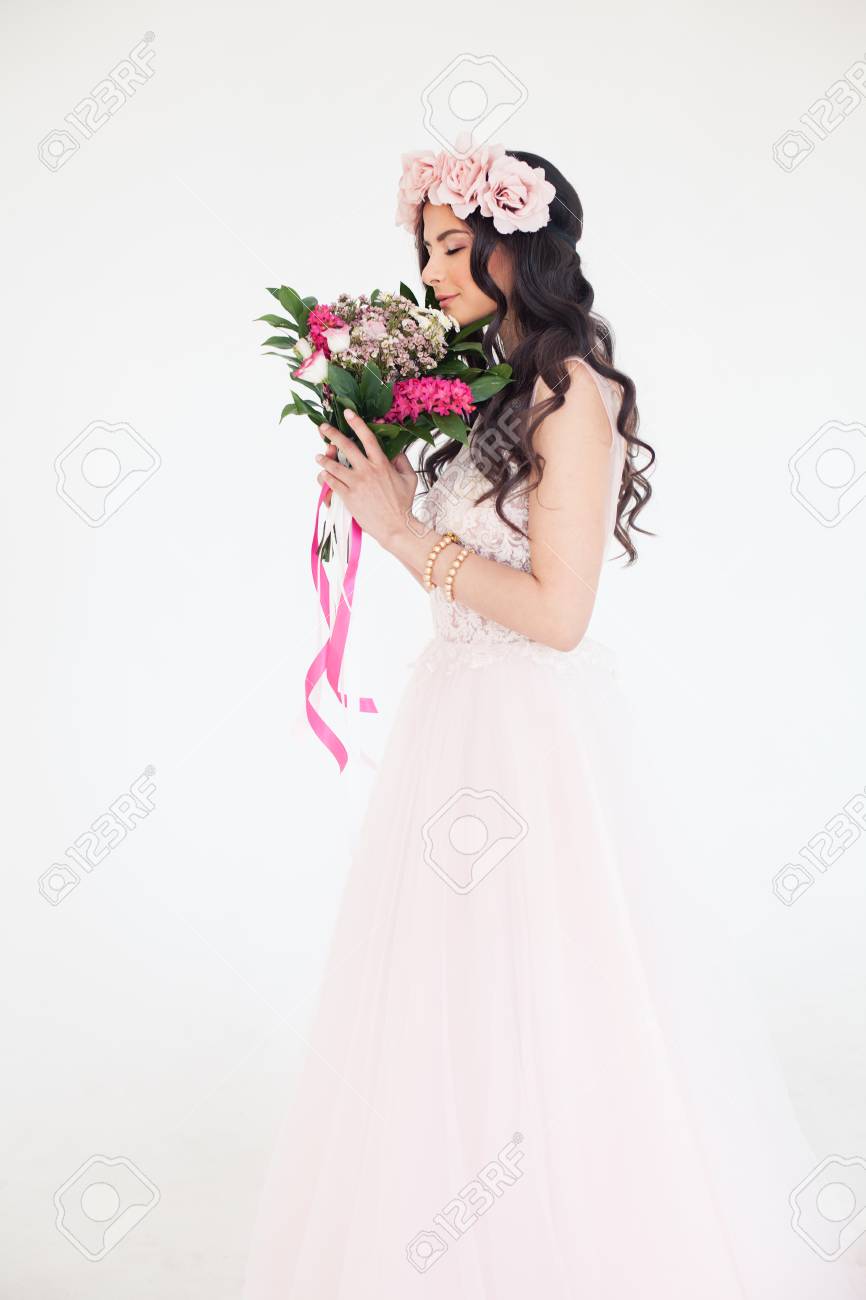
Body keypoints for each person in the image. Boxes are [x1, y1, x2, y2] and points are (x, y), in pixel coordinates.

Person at [242, 142, 866, 1298]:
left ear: (516, 245)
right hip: (450, 716)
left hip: (526, 739)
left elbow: (557, 613)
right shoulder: (483, 389)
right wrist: (377, 486)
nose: (430, 271)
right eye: (423, 249)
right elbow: (461, 570)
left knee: (551, 989)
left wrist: (398, 529)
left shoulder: (571, 394)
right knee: (446, 992)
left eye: (449, 245)